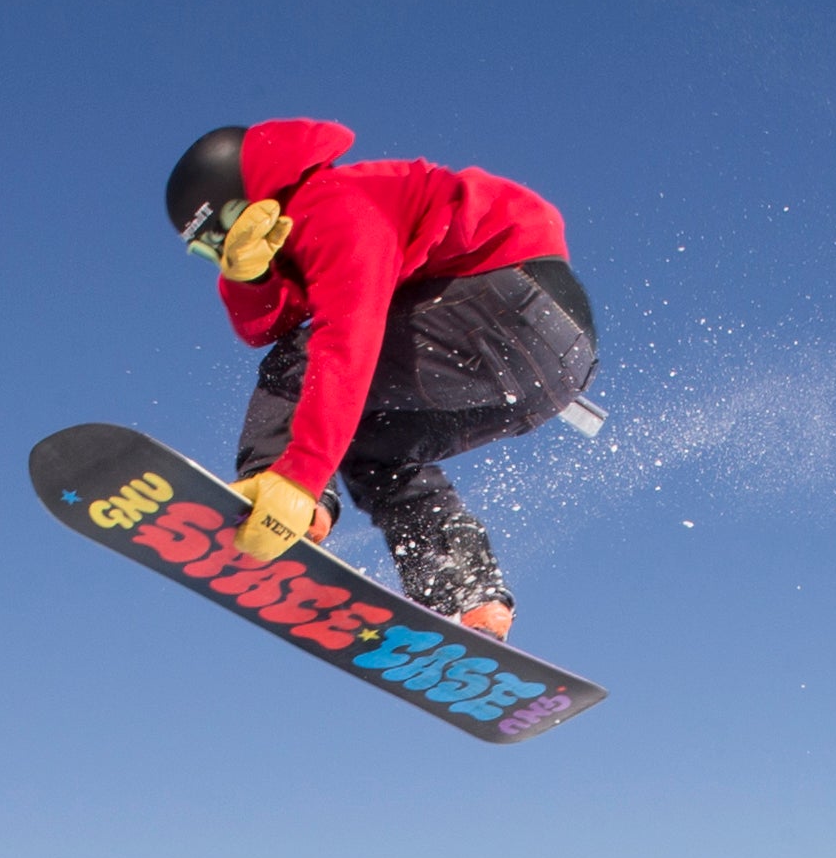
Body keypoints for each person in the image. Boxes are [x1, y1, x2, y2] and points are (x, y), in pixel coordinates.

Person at [164, 120, 597, 639]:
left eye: (224, 231)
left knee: (296, 368)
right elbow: (265, 325)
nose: (224, 253)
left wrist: (297, 477)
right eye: (207, 251)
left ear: (255, 196)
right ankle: (466, 596)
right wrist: (254, 277)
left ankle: (273, 498)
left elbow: (346, 340)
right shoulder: (292, 241)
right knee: (373, 448)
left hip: (509, 306)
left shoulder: (332, 202)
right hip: (549, 365)